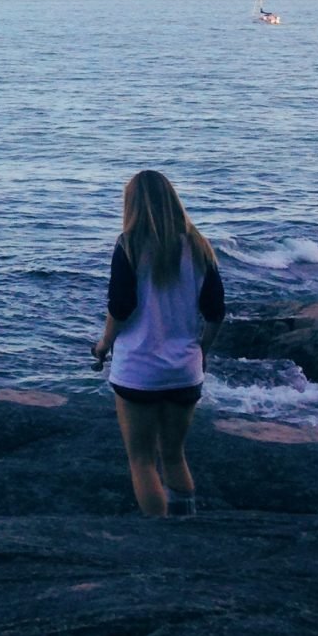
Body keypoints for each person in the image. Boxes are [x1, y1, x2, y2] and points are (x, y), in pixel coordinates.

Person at [91, 170, 226, 518]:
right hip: (185, 370)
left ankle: (159, 539)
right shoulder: (199, 247)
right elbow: (215, 313)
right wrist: (202, 352)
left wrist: (103, 345)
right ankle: (185, 525)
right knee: (174, 454)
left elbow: (120, 307)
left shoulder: (130, 246)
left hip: (138, 370)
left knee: (141, 460)